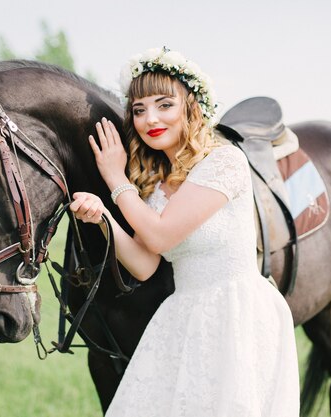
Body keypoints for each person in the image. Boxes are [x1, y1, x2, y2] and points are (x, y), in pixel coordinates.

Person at [69, 47, 299, 417]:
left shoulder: (223, 162)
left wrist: (114, 178)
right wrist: (103, 219)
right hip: (182, 316)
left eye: (164, 105)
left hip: (234, 314)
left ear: (190, 107)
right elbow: (145, 264)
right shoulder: (155, 187)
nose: (150, 119)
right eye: (139, 110)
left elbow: (160, 236)